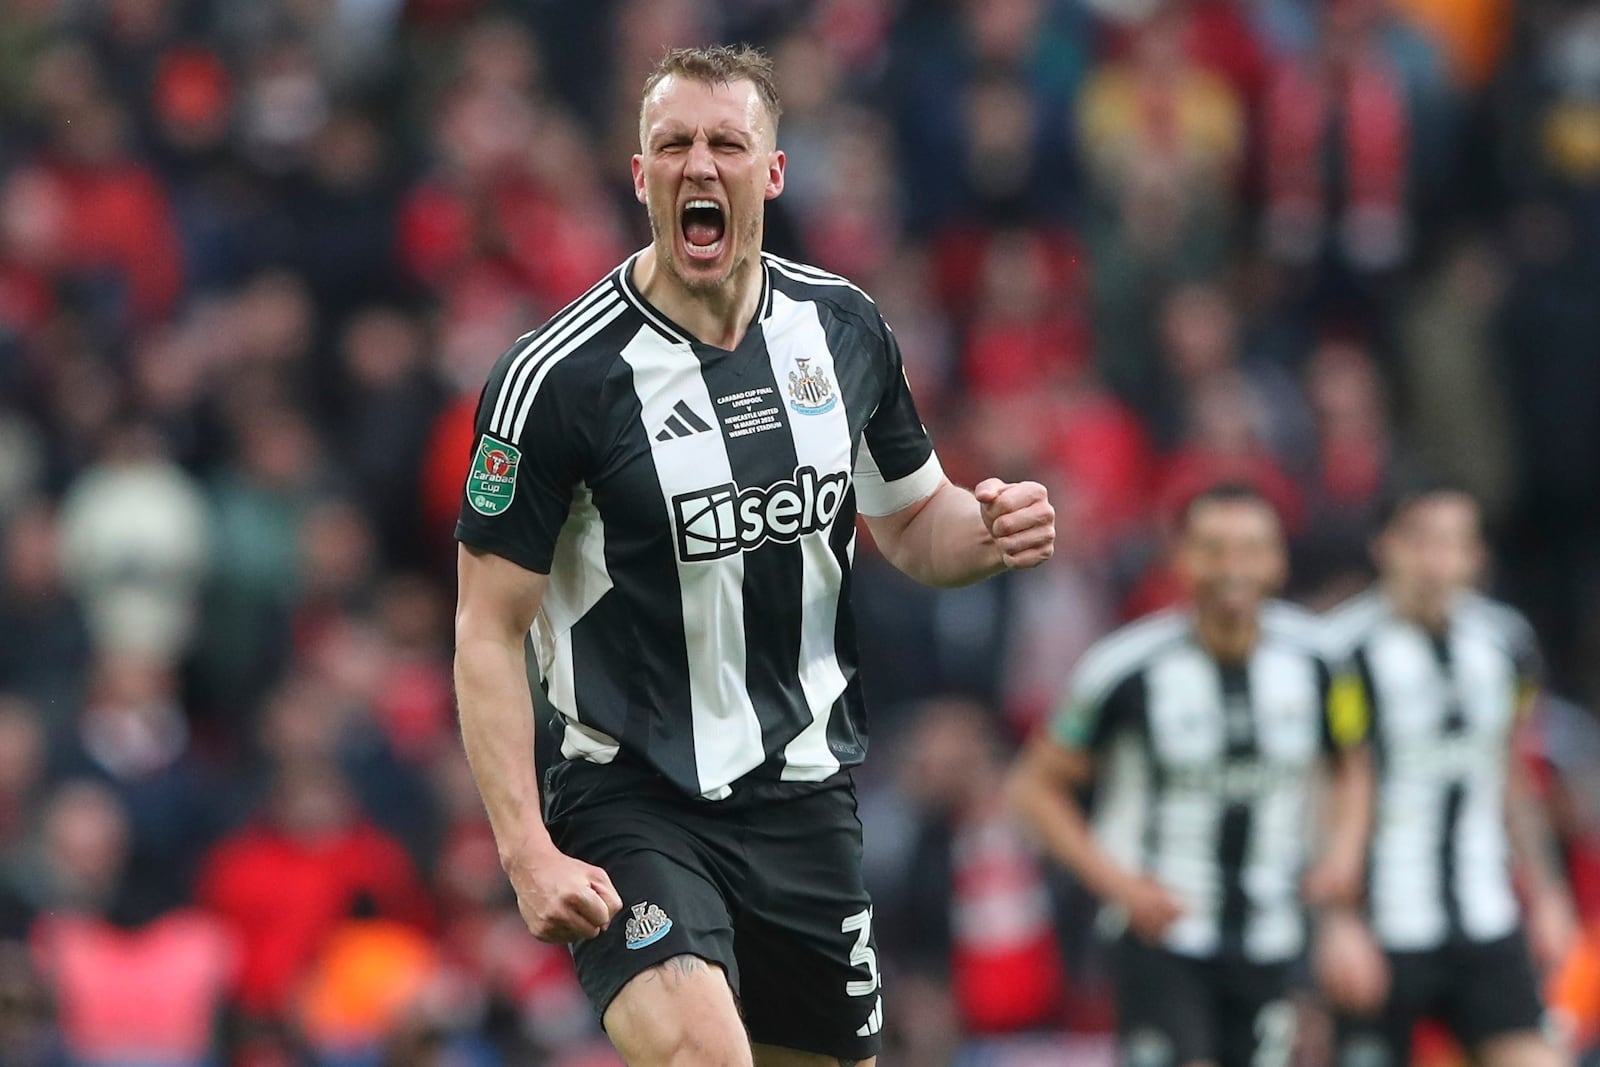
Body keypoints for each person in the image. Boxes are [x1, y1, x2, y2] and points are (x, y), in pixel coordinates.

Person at [451, 44, 1055, 1067]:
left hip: (804, 795)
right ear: (639, 176)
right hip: (628, 795)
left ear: (771, 169)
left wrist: (987, 531)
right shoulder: (556, 378)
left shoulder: (843, 327)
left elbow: (911, 521)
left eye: (726, 142)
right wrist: (525, 850)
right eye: (672, 144)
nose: (699, 164)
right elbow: (485, 626)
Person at [1008, 482, 1372, 1067]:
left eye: (1251, 548)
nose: (1232, 567)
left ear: (1278, 560)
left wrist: (1344, 860)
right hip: (1160, 937)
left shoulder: (1324, 665)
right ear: (1180, 558)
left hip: (1269, 936)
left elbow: (1353, 763)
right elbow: (1033, 788)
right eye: (1213, 548)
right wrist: (1120, 885)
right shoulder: (1122, 669)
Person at [1317, 485, 1575, 1067]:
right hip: (1380, 924)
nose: (1439, 561)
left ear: (1476, 557)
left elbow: (1509, 774)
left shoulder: (1506, 642)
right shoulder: (1339, 653)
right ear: (1385, 546)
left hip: (1484, 915)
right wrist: (1336, 922)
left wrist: (1549, 893)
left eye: (1456, 543)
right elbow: (1321, 793)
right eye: (1423, 541)